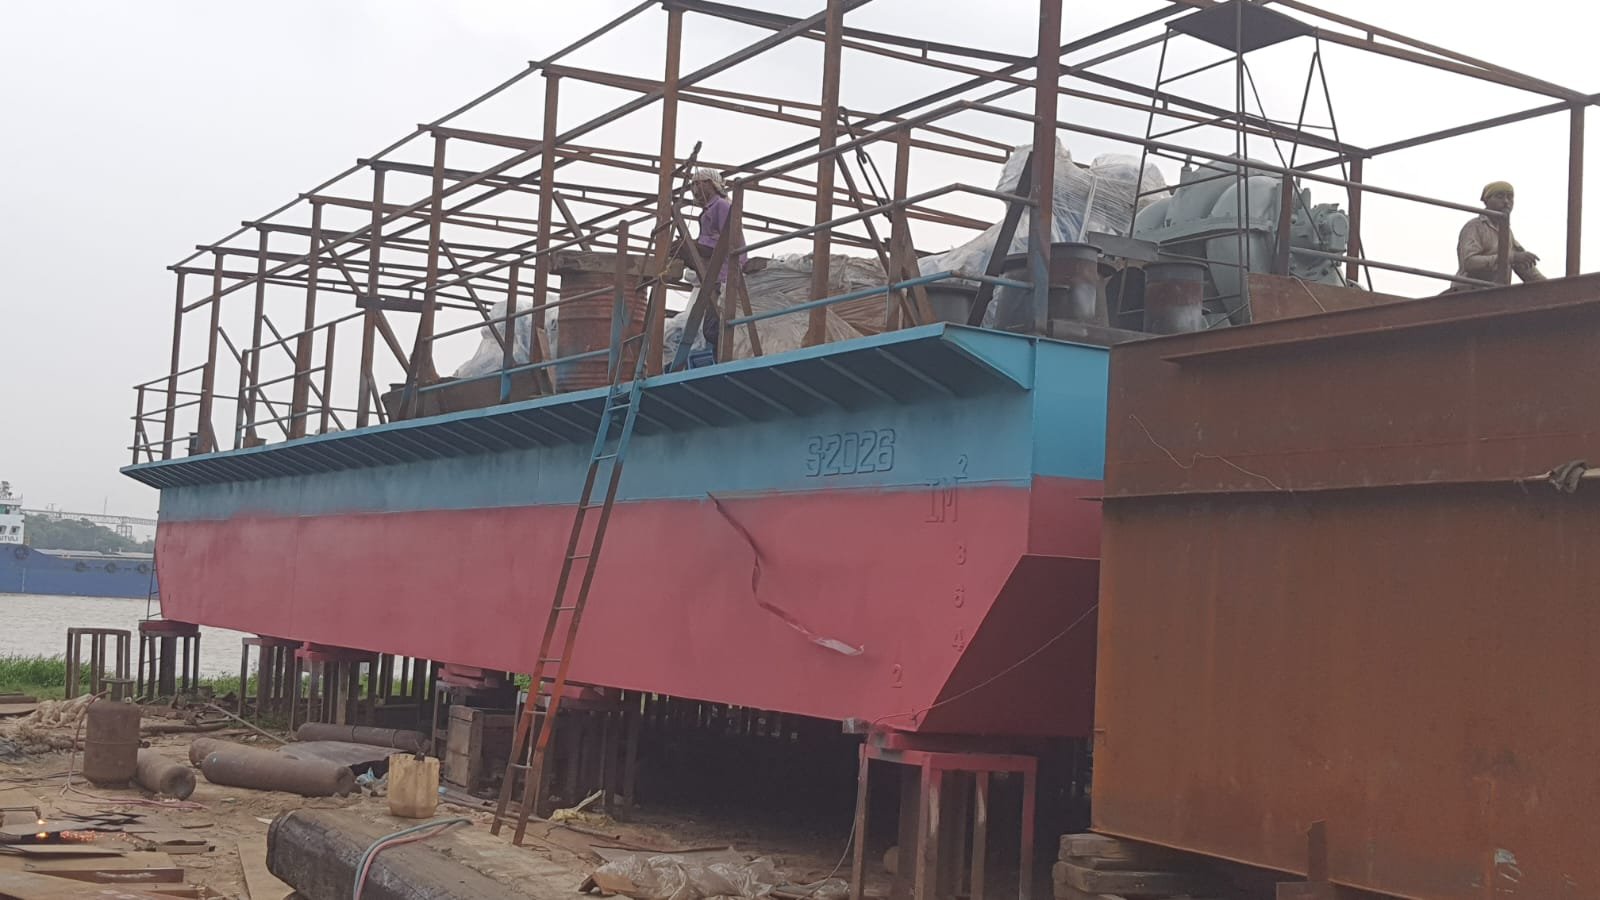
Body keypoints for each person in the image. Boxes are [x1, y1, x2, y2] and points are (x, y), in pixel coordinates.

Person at [681, 168, 747, 359]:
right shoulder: (708, 210)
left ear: (711, 184)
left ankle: (723, 358)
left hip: (724, 272)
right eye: (692, 184)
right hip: (714, 273)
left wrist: (692, 247)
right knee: (710, 327)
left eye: (698, 183)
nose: (694, 189)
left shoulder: (721, 206)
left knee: (714, 326)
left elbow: (726, 241)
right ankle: (719, 357)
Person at [1454, 181, 1545, 288]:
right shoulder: (1474, 227)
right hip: (1468, 292)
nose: (1506, 201)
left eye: (1510, 197)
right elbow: (1469, 263)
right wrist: (1511, 257)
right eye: (1500, 196)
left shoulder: (1507, 233)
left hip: (1496, 292)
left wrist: (1551, 288)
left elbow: (1525, 267)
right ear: (1487, 200)